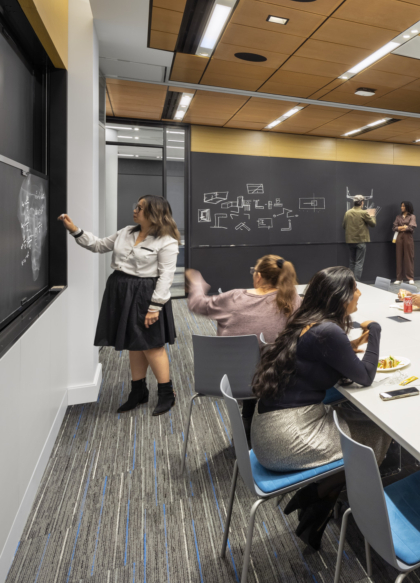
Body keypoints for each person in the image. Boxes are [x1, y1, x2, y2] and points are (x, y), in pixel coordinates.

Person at [250, 267, 391, 549]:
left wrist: (352, 344)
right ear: (339, 296)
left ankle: (321, 497)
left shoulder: (307, 322)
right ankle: (319, 492)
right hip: (285, 438)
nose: (359, 293)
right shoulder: (328, 331)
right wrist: (375, 331)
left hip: (269, 427)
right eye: (354, 289)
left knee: (356, 420)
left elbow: (321, 358)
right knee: (378, 434)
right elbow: (365, 377)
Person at [59, 196, 180, 416]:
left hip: (146, 294)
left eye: (140, 208)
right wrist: (75, 230)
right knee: (134, 343)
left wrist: (155, 307)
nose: (135, 210)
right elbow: (98, 245)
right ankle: (138, 391)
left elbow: (166, 277)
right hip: (121, 290)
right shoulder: (126, 232)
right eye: (136, 206)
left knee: (152, 345)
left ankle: (166, 394)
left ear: (154, 213)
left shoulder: (167, 241)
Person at [186, 255, 302, 439]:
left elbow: (197, 304)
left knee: (252, 364)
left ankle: (247, 420)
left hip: (228, 380)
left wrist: (196, 283)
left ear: (259, 276)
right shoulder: (293, 300)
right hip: (275, 380)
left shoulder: (235, 298)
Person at [343, 194, 376, 281]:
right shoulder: (364, 213)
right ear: (362, 202)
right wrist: (372, 215)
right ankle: (356, 282)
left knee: (352, 262)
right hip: (361, 241)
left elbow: (344, 226)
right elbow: (373, 224)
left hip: (350, 241)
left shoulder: (347, 213)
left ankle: (350, 282)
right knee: (359, 263)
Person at [392, 200, 417, 285]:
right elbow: (394, 227)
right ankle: (399, 278)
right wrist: (404, 227)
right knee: (399, 257)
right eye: (401, 206)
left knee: (409, 257)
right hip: (399, 238)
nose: (401, 207)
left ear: (407, 207)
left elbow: (411, 227)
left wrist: (400, 227)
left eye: (403, 206)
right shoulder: (398, 217)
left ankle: (410, 277)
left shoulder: (412, 216)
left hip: (408, 238)